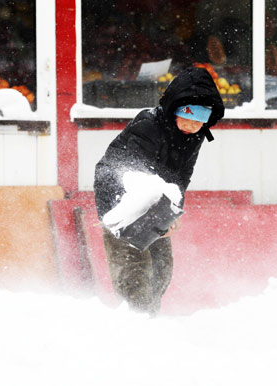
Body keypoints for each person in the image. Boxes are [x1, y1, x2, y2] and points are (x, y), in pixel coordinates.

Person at [93, 66, 225, 315]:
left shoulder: (194, 136)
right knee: (135, 272)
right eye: (188, 117)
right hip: (122, 199)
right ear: (174, 108)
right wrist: (159, 208)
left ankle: (150, 320)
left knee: (162, 269)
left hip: (156, 200)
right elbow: (138, 172)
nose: (193, 126)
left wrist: (173, 212)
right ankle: (136, 322)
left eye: (200, 121)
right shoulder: (148, 125)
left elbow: (181, 177)